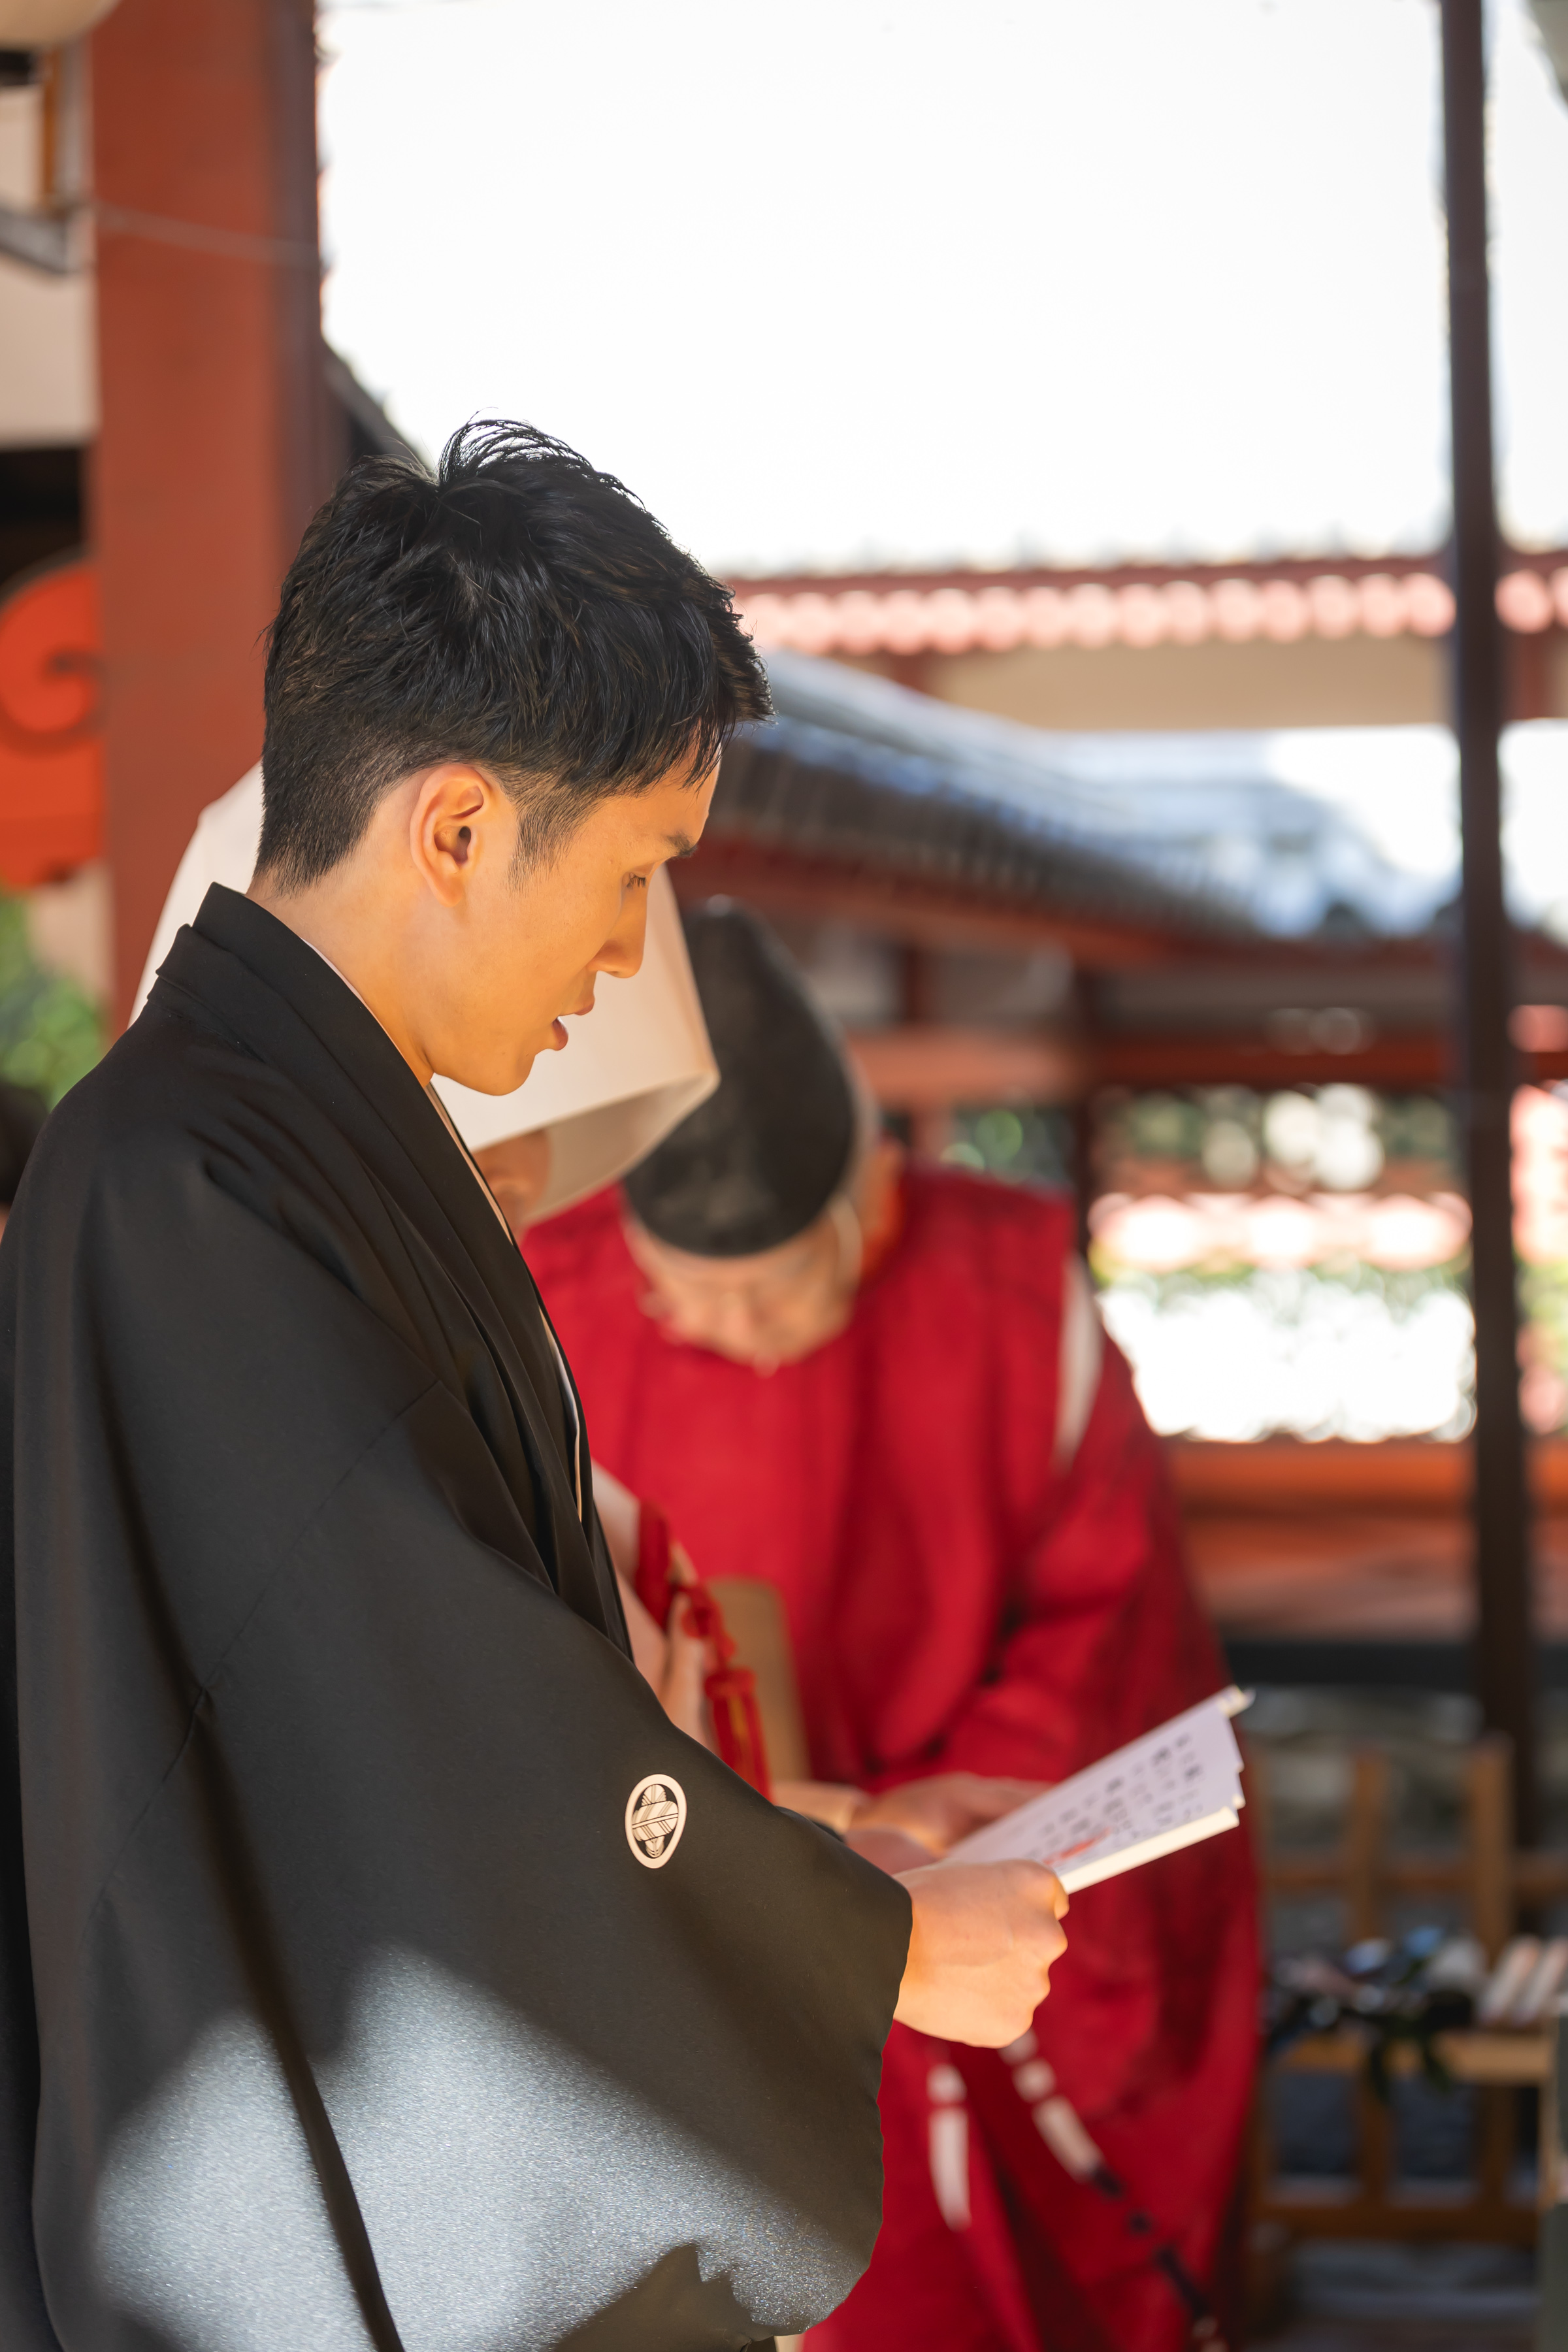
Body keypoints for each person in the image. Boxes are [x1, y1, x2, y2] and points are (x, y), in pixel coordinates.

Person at [0, 425, 1070, 2352]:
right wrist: (874, 1944)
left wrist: (829, 1861)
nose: (628, 947)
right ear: (463, 827)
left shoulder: (275, 1150)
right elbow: (436, 1723)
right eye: (640, 868)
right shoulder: (193, 1180)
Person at [525, 902, 1259, 2352]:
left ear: (869, 1197)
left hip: (974, 1839)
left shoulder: (1006, 1288)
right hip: (702, 1892)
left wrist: (934, 1827)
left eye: (774, 1291)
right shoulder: (553, 1295)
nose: (731, 1334)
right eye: (695, 1305)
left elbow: (1100, 1612)